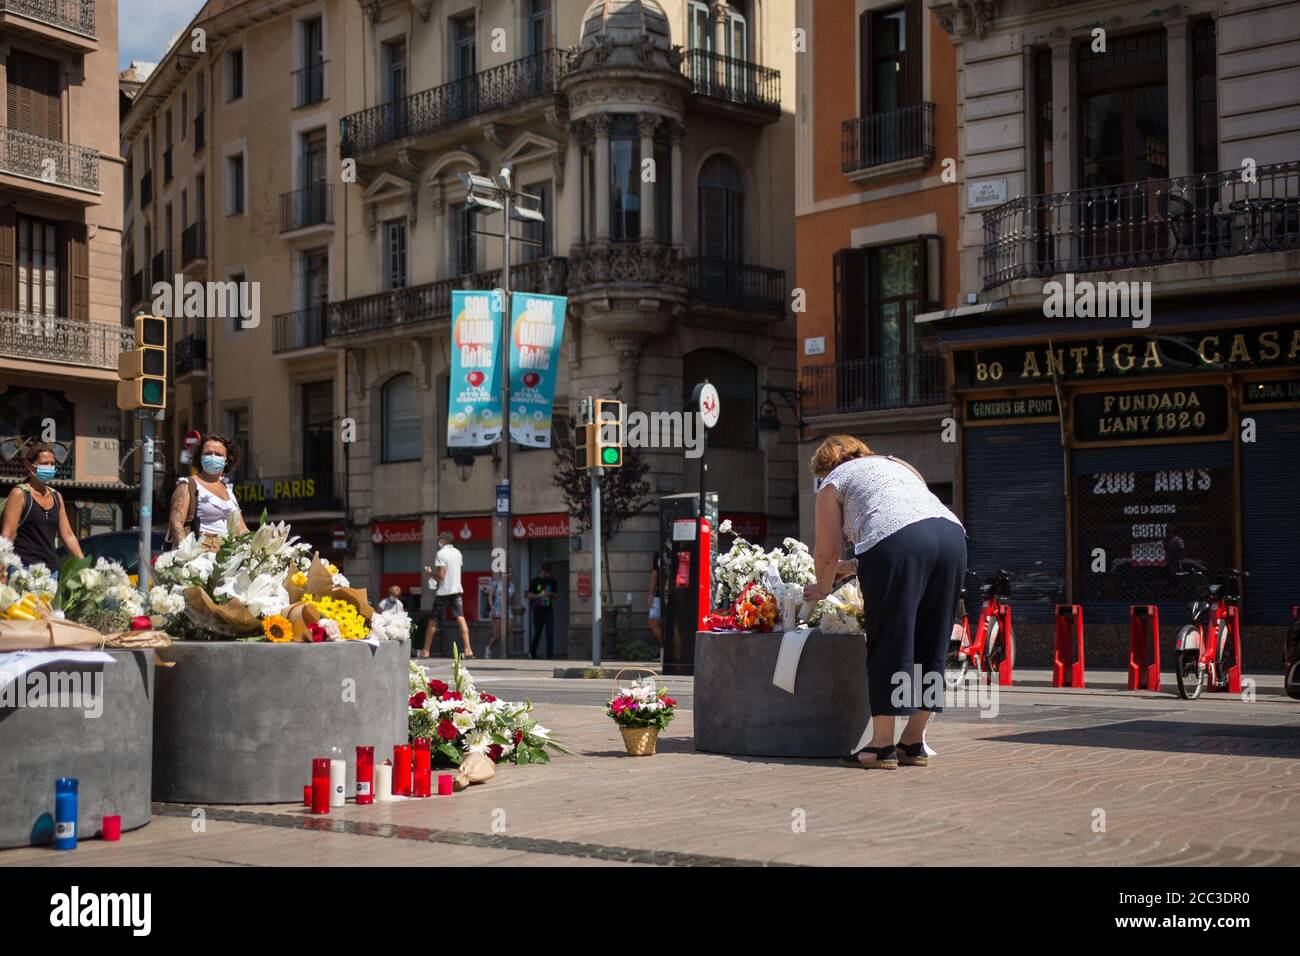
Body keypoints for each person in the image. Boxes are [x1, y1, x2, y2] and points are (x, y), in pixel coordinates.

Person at [806, 435, 967, 771]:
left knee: (890, 638)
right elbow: (905, 524)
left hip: (899, 543)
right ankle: (913, 740)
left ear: (825, 467)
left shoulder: (833, 483)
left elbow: (827, 551)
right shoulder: (896, 463)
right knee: (933, 639)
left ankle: (881, 745)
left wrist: (821, 589)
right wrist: (850, 569)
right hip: (952, 537)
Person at [1, 442, 83, 570]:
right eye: (45, 463)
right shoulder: (19, 494)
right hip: (24, 569)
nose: (50, 467)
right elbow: (8, 534)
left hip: (51, 571)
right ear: (29, 466)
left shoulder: (57, 497)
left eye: (52, 463)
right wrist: (2, 567)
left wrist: (83, 565)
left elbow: (68, 535)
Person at [168, 434, 248, 551]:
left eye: (218, 454)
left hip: (229, 553)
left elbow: (241, 529)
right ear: (200, 457)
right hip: (200, 551)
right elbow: (176, 522)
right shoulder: (188, 485)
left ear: (226, 461)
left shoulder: (228, 490)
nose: (213, 457)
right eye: (208, 453)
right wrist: (185, 552)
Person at [422, 531, 470, 659]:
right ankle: (468, 649)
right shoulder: (458, 553)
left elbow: (441, 576)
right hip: (457, 590)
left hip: (444, 592)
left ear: (443, 540)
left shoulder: (441, 554)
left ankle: (425, 651)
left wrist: (431, 573)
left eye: (439, 539)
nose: (438, 541)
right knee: (461, 618)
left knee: (433, 620)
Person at [527, 562, 559, 660]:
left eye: (549, 573)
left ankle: (549, 655)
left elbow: (556, 596)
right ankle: (532, 653)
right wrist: (539, 595)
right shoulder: (535, 581)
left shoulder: (552, 581)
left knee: (550, 633)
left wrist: (551, 595)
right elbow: (529, 596)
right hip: (538, 610)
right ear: (542, 570)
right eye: (546, 573)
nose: (547, 575)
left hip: (549, 609)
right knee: (538, 633)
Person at [647, 550, 662, 646]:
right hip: (659, 592)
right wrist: (651, 593)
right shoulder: (658, 554)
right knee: (653, 621)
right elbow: (654, 573)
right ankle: (664, 646)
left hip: (675, 592)